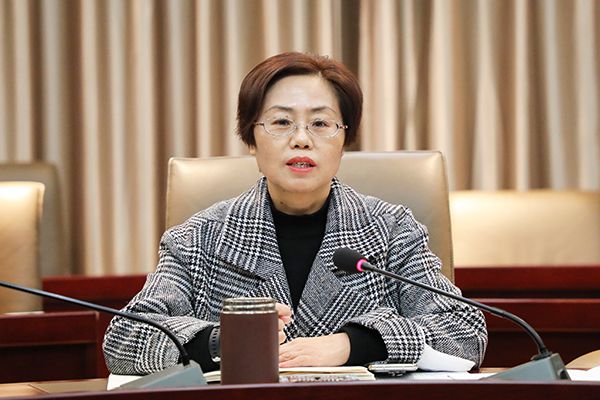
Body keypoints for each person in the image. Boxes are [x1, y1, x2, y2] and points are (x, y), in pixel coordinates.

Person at [103, 52, 487, 375]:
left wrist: (353, 344)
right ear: (251, 140)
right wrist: (224, 341)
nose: (301, 139)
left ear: (344, 140)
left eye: (320, 123)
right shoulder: (197, 238)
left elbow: (464, 331)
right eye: (281, 122)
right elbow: (123, 340)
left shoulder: (392, 230)